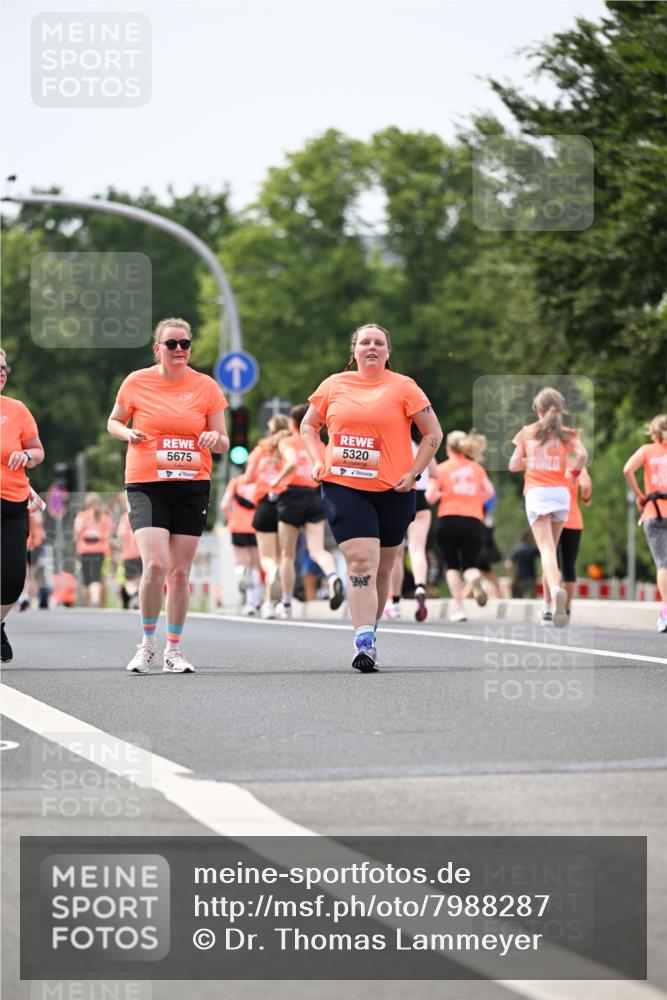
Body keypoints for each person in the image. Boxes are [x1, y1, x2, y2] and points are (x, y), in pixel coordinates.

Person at [301, 323, 443, 672]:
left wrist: (414, 474)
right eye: (365, 342)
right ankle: (364, 641)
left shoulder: (404, 387)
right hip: (343, 484)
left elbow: (433, 434)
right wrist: (318, 460)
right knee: (361, 561)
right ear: (354, 351)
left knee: (384, 567)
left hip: (394, 490)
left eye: (379, 343)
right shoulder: (334, 385)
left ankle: (371, 628)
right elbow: (308, 426)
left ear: (388, 352)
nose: (372, 347)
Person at [107, 317, 229, 673]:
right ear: (156, 348)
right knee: (156, 563)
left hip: (192, 483)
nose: (179, 350)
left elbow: (223, 440)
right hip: (147, 483)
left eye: (185, 344)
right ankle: (146, 644)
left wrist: (212, 439)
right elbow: (113, 421)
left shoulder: (206, 387)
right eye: (171, 344)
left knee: (179, 572)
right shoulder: (137, 381)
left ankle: (173, 651)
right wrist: (127, 434)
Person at [509, 387, 587, 628]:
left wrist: (530, 461)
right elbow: (583, 455)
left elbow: (513, 465)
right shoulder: (567, 434)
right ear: (561, 409)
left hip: (538, 493)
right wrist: (573, 472)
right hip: (561, 493)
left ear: (537, 409)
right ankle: (547, 609)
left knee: (547, 551)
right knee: (550, 551)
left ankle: (555, 592)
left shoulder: (528, 432)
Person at [270, 404, 343, 618]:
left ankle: (286, 603)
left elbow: (292, 461)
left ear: (293, 424)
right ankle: (331, 576)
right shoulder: (320, 444)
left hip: (291, 496)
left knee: (287, 553)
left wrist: (277, 480)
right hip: (314, 495)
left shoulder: (287, 441)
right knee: (317, 549)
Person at [0, 347, 45, 661]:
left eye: (4, 368)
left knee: (14, 578)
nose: (2, 372)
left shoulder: (16, 410)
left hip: (13, 502)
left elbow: (38, 451)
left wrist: (26, 456)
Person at [432, 430, 495, 622]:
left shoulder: (441, 469)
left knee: (451, 565)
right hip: (473, 520)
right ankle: (475, 579)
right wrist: (476, 500)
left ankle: (459, 608)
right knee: (470, 564)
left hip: (448, 519)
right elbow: (490, 492)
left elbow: (430, 496)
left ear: (448, 448)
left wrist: (445, 495)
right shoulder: (476, 468)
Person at [384, 424, 439, 622]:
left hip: (399, 495)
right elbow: (436, 474)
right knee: (417, 549)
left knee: (396, 553)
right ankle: (420, 587)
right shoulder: (423, 444)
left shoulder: (394, 442)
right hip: (422, 497)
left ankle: (395, 602)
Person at [623, 414, 667, 632]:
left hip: (655, 511)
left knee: (663, 563)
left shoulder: (647, 451)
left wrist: (641, 495)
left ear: (654, 432)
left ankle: (666, 612)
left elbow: (627, 469)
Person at [244, 414, 290, 619]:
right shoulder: (289, 449)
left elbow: (248, 477)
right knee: (283, 555)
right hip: (286, 502)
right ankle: (275, 603)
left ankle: (272, 577)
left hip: (265, 503)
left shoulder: (260, 450)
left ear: (270, 431)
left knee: (267, 558)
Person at [220, 472, 262, 615]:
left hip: (237, 526)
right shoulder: (259, 481)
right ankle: (254, 601)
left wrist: (231, 519)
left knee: (241, 562)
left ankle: (242, 573)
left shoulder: (235, 482)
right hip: (256, 526)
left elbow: (224, 505)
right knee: (256, 564)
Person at [557, 467, 592, 620]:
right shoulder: (577, 467)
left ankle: (550, 605)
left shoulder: (552, 463)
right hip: (573, 521)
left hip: (552, 519)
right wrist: (585, 498)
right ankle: (566, 608)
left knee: (551, 562)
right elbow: (586, 485)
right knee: (569, 567)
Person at [73, 492, 114, 608]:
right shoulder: (104, 517)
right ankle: (96, 601)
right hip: (101, 551)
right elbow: (109, 535)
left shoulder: (81, 516)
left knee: (87, 580)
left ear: (86, 504)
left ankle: (90, 604)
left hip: (84, 551)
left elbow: (76, 533)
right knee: (97, 578)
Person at [116, 492, 143, 610]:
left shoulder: (125, 517)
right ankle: (139, 600)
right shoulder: (142, 514)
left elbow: (120, 535)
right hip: (141, 552)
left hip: (128, 553)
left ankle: (135, 596)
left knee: (130, 581)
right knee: (141, 579)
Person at [507, 531, 540, 599]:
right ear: (528, 538)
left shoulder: (516, 549)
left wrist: (511, 576)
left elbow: (509, 564)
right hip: (531, 577)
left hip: (519, 578)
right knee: (531, 599)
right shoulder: (533, 549)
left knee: (518, 599)